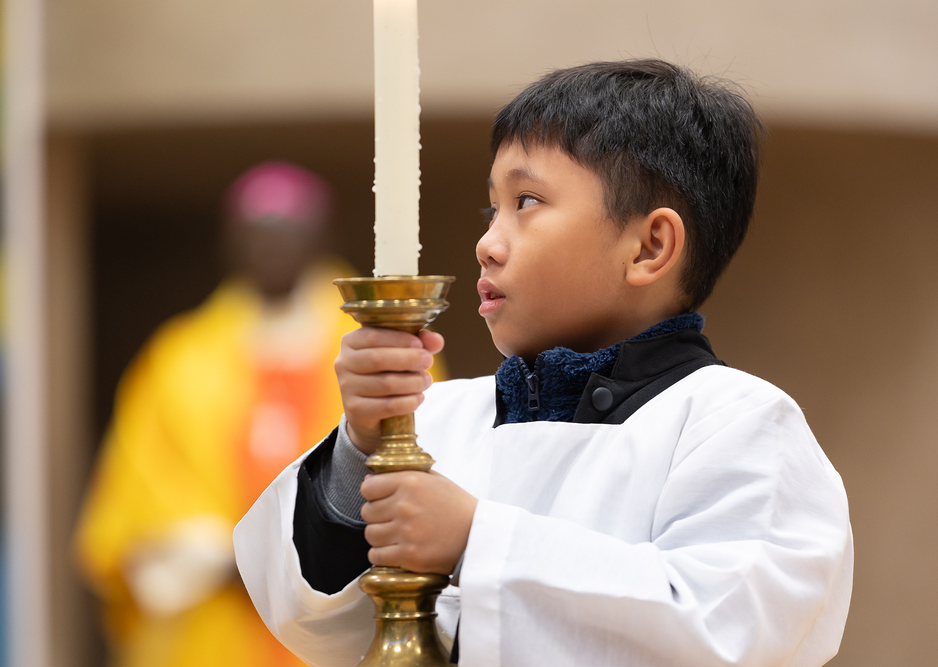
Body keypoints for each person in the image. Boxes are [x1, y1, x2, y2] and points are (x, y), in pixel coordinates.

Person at [233, 60, 853, 667]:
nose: (486, 244)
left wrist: (476, 540)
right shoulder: (437, 417)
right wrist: (361, 448)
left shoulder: (737, 424)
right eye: (491, 210)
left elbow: (729, 634)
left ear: (649, 246)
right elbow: (321, 629)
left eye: (526, 201)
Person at [75, 163, 359, 667]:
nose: (271, 247)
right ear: (229, 243)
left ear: (322, 238)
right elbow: (134, 504)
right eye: (257, 234)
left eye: (289, 231)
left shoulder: (379, 347)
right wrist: (212, 553)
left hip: (338, 620)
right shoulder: (177, 359)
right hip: (216, 633)